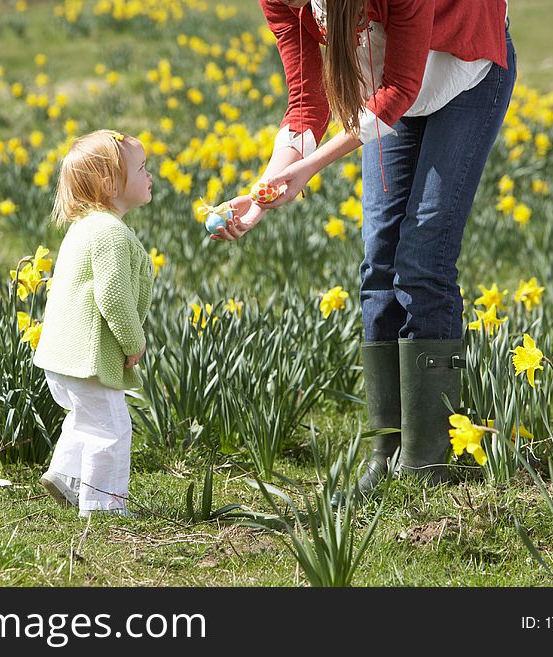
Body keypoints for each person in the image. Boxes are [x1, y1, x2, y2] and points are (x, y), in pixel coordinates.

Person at [214, 0, 516, 491]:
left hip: (465, 70)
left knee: (423, 260)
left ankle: (427, 464)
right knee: (378, 262)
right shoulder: (282, 2)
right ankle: (386, 454)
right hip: (388, 91)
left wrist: (309, 169)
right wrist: (261, 194)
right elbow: (306, 104)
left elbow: (401, 91)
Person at [32, 129, 154, 518]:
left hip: (61, 357)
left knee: (85, 419)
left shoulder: (85, 227)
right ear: (109, 183)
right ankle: (104, 508)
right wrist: (133, 342)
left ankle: (65, 477)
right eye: (141, 168)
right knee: (112, 431)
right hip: (89, 359)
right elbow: (113, 297)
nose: (150, 175)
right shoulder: (111, 235)